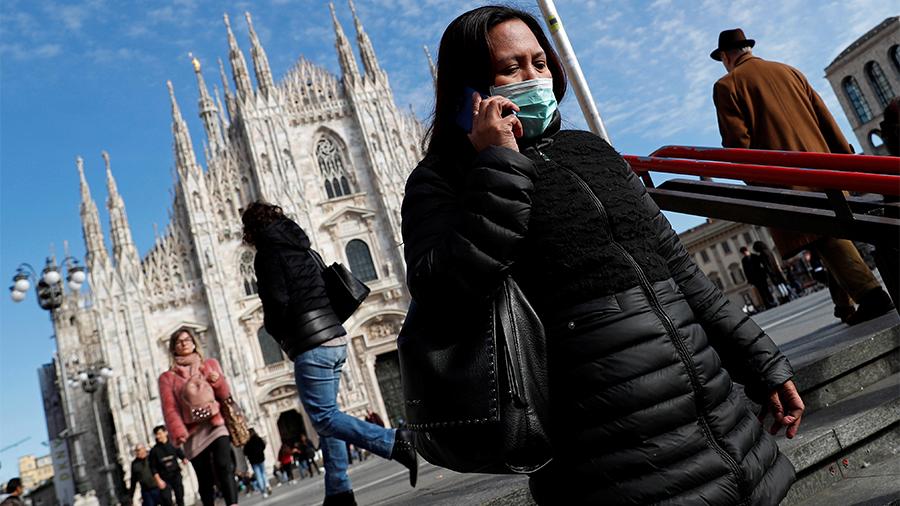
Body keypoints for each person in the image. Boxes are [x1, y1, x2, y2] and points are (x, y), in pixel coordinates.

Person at [402, 6, 803, 504]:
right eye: (511, 68)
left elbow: (679, 268)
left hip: (720, 423)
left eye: (539, 62)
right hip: (611, 453)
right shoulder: (444, 180)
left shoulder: (590, 151)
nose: (533, 78)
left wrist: (760, 362)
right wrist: (498, 162)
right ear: (471, 92)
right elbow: (443, 293)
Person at [711, 28, 894, 325]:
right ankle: (843, 305)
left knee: (821, 232)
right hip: (824, 169)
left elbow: (737, 144)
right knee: (826, 230)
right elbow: (825, 118)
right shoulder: (789, 71)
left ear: (725, 56)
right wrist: (846, 161)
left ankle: (872, 295)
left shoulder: (727, 85)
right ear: (748, 49)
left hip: (788, 179)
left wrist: (756, 182)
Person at [242, 202, 418, 506]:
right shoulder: (301, 246)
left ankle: (393, 441)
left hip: (311, 342)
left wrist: (275, 329)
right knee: (330, 417)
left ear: (252, 231)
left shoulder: (268, 254)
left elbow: (277, 302)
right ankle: (339, 492)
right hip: (335, 336)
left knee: (324, 417)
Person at [158, 327, 239, 506]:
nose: (184, 343)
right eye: (179, 341)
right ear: (173, 348)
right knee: (204, 477)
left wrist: (218, 382)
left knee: (224, 465)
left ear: (194, 343)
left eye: (187, 339)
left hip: (216, 423)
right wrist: (178, 431)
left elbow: (225, 394)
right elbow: (169, 407)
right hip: (192, 432)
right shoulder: (167, 378)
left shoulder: (209, 365)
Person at [149, 425, 186, 506]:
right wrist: (158, 480)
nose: (158, 436)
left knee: (180, 497)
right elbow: (153, 467)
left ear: (165, 433)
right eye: (156, 434)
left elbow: (182, 457)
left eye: (160, 433)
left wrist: (184, 461)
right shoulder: (154, 451)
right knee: (167, 500)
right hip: (164, 478)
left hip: (176, 475)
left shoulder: (173, 445)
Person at [243, 429, 270, 496]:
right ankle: (266, 484)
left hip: (253, 461)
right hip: (260, 458)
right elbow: (263, 446)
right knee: (263, 472)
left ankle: (263, 491)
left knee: (258, 475)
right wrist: (260, 451)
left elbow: (245, 452)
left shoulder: (248, 442)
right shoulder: (258, 439)